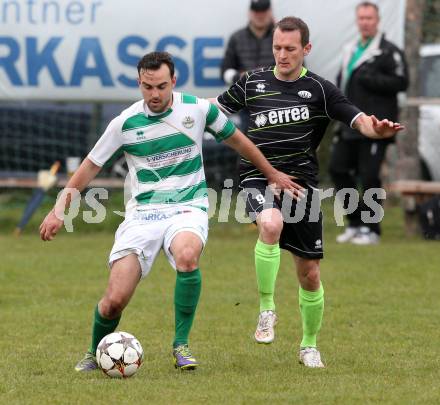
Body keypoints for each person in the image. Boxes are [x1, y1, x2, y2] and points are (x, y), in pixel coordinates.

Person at [39, 51, 300, 372]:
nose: (155, 94)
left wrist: (271, 173)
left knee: (187, 255)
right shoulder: (124, 123)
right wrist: (58, 211)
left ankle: (181, 345)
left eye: (161, 86)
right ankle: (94, 352)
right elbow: (88, 168)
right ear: (139, 83)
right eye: (147, 87)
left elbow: (240, 142)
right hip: (142, 216)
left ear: (173, 81)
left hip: (188, 208)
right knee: (114, 300)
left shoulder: (198, 109)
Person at [213, 16, 403, 368]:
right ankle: (267, 310)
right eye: (277, 48)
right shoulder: (252, 82)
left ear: (306, 49)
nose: (282, 55)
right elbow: (215, 110)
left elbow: (357, 118)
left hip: (301, 185)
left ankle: (309, 345)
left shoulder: (320, 89)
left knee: (310, 274)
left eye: (290, 49)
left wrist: (376, 129)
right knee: (269, 225)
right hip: (258, 177)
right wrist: (184, 112)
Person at [329, 1, 409, 245]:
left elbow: (401, 82)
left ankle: (371, 229)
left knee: (369, 175)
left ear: (377, 21)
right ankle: (355, 223)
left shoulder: (388, 51)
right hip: (351, 123)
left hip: (377, 125)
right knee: (338, 169)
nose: (365, 22)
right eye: (361, 18)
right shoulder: (350, 49)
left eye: (369, 18)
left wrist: (371, 78)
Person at [221, 0, 275, 133]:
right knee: (247, 147)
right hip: (245, 104)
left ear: (270, 12)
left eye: (263, 11)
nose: (260, 15)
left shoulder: (280, 37)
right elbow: (224, 72)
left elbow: (298, 68)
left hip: (275, 102)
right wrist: (240, 76)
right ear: (250, 13)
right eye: (256, 12)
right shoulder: (237, 38)